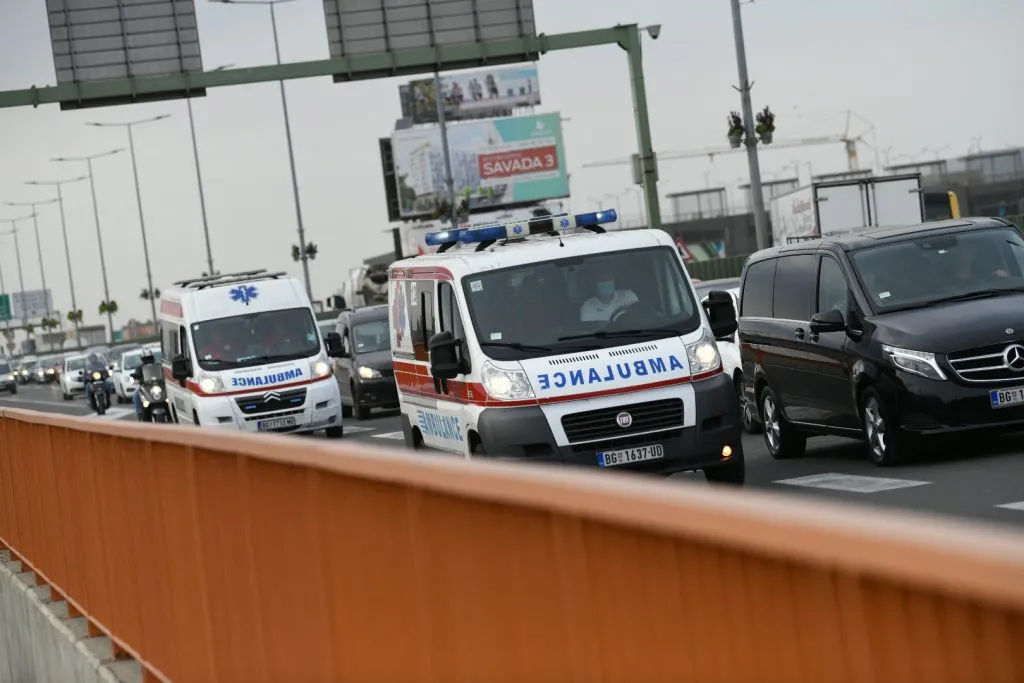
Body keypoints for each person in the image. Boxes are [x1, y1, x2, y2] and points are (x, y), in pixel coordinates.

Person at [132, 348, 157, 421]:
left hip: (157, 386)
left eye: (149, 358)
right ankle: (140, 413)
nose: (148, 360)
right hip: (145, 387)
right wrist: (137, 379)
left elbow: (162, 373)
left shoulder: (157, 366)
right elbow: (136, 376)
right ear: (142, 359)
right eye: (146, 359)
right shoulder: (139, 368)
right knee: (136, 395)